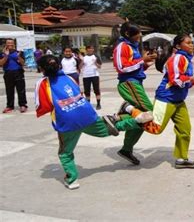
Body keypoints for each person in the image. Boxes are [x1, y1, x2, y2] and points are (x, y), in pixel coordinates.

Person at [35, 55, 151, 189]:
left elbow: (41, 106)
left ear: (42, 69)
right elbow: (77, 92)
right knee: (109, 130)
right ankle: (135, 120)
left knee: (65, 153)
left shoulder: (42, 83)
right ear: (59, 65)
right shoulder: (69, 77)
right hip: (86, 114)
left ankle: (72, 180)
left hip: (67, 122)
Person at [154, 34, 194, 168]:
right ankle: (129, 113)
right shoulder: (178, 58)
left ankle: (181, 159)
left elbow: (184, 82)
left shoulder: (186, 59)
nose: (191, 45)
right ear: (178, 46)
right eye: (188, 43)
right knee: (156, 129)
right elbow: (175, 81)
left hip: (178, 101)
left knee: (185, 129)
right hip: (166, 99)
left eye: (192, 43)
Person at [113, 22, 158, 165]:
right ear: (127, 34)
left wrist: (145, 63)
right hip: (129, 84)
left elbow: (135, 66)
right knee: (149, 112)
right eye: (137, 33)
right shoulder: (122, 47)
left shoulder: (132, 46)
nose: (140, 36)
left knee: (143, 119)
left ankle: (126, 149)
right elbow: (121, 68)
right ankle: (120, 116)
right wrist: (141, 61)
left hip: (135, 83)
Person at [0, 38, 28, 113]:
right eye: (8, 43)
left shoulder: (19, 52)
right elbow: (1, 64)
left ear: (14, 44)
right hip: (8, 73)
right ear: (6, 44)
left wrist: (18, 56)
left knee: (21, 90)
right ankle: (9, 106)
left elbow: (23, 63)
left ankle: (23, 105)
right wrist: (6, 56)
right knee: (9, 90)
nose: (10, 44)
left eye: (11, 43)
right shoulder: (2, 53)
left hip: (18, 72)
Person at [82, 45, 103, 110]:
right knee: (87, 90)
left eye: (91, 48)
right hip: (86, 75)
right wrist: (81, 61)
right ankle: (88, 104)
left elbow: (99, 66)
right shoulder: (84, 57)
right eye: (89, 49)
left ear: (93, 49)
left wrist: (95, 62)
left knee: (96, 89)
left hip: (95, 75)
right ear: (86, 50)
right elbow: (80, 67)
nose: (90, 50)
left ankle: (98, 103)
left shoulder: (96, 56)